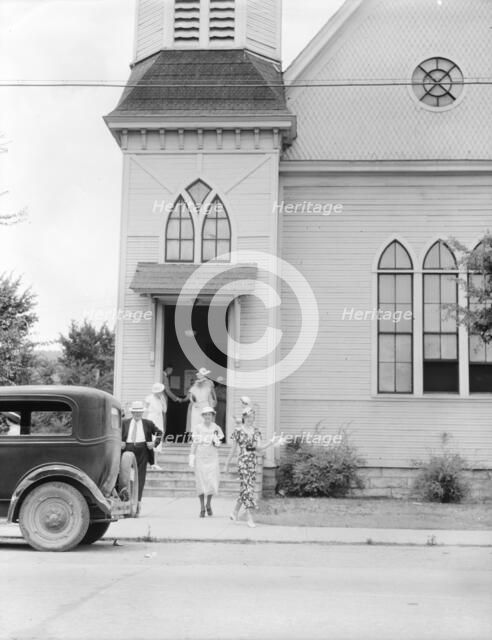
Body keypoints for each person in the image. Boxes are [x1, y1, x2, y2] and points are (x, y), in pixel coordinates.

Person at [225, 406, 284, 528]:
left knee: (246, 489)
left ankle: (235, 512)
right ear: (244, 417)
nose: (251, 419)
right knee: (248, 490)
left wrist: (271, 442)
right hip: (242, 462)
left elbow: (259, 448)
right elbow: (233, 449)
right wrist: (227, 463)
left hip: (252, 462)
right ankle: (249, 517)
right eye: (248, 417)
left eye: (253, 417)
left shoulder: (256, 431)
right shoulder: (238, 431)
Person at [121, 400, 162, 515]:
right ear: (132, 413)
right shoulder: (124, 422)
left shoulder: (148, 423)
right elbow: (115, 434)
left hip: (143, 450)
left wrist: (154, 443)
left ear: (142, 413)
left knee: (140, 478)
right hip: (127, 449)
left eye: (139, 412)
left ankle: (138, 503)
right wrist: (120, 442)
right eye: (135, 412)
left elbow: (159, 432)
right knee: (126, 477)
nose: (137, 414)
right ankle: (127, 502)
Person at [188, 406, 224, 518]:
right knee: (201, 482)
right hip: (201, 457)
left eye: (210, 414)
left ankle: (208, 504)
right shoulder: (198, 428)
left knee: (211, 481)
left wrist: (216, 442)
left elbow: (219, 443)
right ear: (203, 416)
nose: (208, 416)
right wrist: (192, 456)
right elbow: (194, 443)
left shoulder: (216, 427)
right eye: (205, 414)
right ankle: (202, 507)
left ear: (213, 416)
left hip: (212, 457)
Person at [184, 368, 217, 435]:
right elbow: (191, 394)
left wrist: (214, 401)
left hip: (205, 404)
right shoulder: (196, 383)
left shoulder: (209, 383)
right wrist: (193, 402)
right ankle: (195, 437)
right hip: (197, 405)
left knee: (205, 420)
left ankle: (206, 437)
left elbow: (213, 394)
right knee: (195, 421)